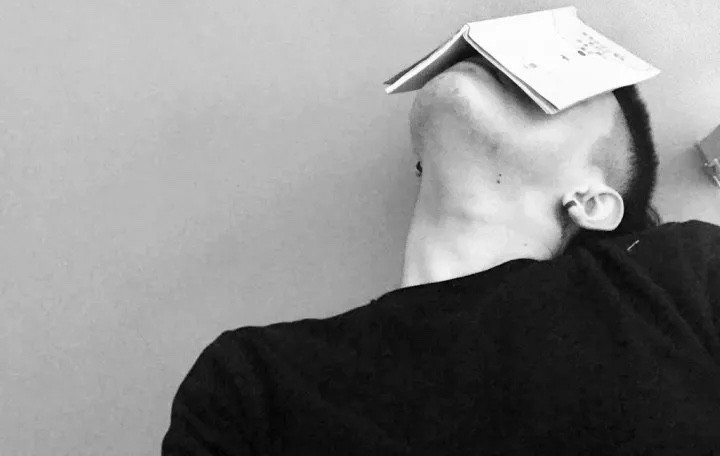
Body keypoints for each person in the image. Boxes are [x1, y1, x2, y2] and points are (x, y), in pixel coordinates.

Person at [162, 56, 720, 455]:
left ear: (592, 202)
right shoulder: (250, 382)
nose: (508, 61)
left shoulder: (683, 270)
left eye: (562, 78)